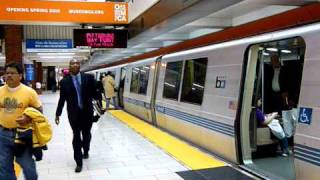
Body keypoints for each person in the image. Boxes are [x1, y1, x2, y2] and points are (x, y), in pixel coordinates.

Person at [0, 62, 43, 180]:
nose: (8, 75)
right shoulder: (0, 91)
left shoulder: (29, 92)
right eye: (7, 73)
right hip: (3, 134)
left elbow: (39, 111)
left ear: (20, 76)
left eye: (12, 73)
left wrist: (28, 117)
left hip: (22, 135)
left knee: (29, 168)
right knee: (4, 168)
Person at [55, 59, 99, 173]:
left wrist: (99, 94)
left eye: (77, 63)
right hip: (73, 114)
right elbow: (62, 99)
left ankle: (86, 150)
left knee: (86, 134)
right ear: (69, 66)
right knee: (76, 136)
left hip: (87, 112)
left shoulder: (89, 78)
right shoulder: (64, 82)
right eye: (72, 63)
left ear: (80, 66)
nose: (75, 65)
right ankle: (78, 162)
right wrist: (58, 114)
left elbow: (95, 94)